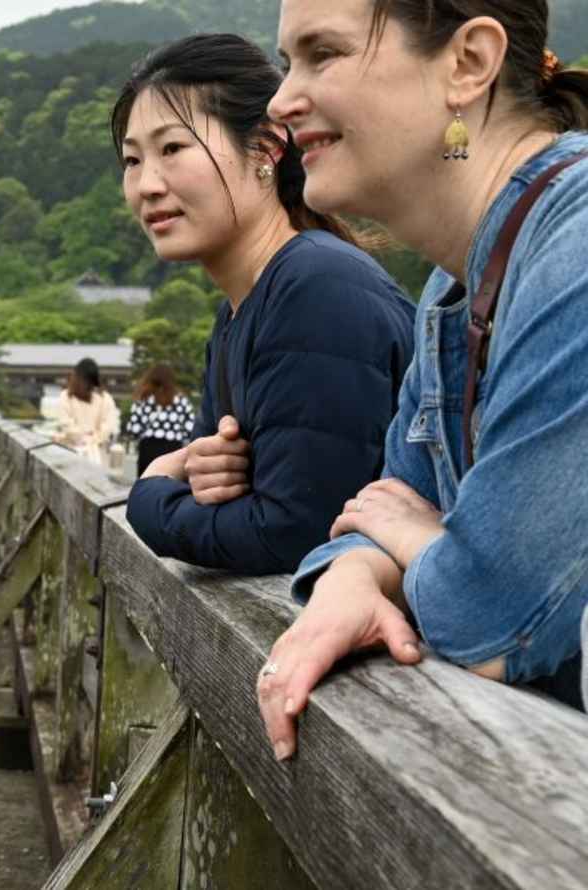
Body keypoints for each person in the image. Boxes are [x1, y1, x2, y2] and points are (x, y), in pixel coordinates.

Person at [257, 0, 588, 761]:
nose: (281, 100)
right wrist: (351, 577)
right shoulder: (453, 288)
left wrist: (411, 537)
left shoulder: (576, 243)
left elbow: (492, 620)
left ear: (469, 63)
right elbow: (372, 512)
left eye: (322, 54)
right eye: (286, 63)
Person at [115, 33, 417, 575]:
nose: (147, 185)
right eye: (132, 160)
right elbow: (217, 482)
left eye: (173, 148)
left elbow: (294, 531)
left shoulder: (318, 288)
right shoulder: (240, 311)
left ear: (266, 148)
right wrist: (194, 468)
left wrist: (150, 492)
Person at [124, 363, 196, 478]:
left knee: (147, 486)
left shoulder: (144, 399)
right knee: (170, 486)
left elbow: (134, 429)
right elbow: (190, 430)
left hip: (148, 449)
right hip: (173, 451)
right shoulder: (181, 400)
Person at [52, 358, 119, 465]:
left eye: (90, 383)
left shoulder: (105, 399)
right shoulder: (65, 397)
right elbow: (66, 424)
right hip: (71, 454)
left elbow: (108, 426)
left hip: (98, 456)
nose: (87, 386)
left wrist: (92, 439)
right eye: (84, 381)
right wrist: (85, 436)